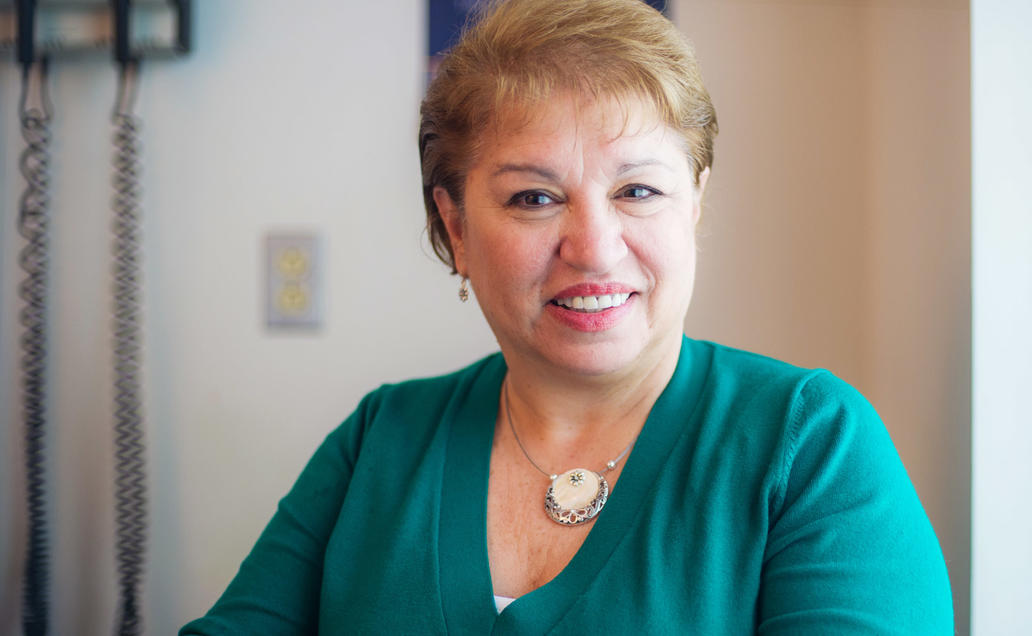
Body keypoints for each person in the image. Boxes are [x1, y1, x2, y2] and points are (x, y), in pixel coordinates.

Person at [181, 0, 953, 633]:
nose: (592, 248)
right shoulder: (379, 443)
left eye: (638, 191)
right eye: (534, 197)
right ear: (456, 229)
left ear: (695, 205)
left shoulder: (809, 446)